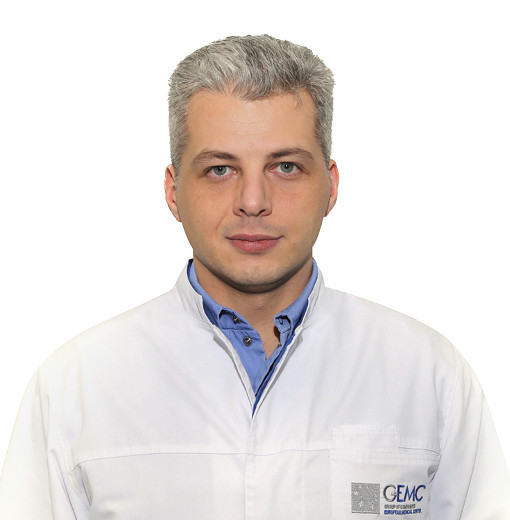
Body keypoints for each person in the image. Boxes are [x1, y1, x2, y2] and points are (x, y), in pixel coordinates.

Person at [0, 34, 508, 520]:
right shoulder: (76, 387)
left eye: (285, 167)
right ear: (174, 192)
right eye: (220, 169)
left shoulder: (428, 374)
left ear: (330, 186)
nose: (253, 201)